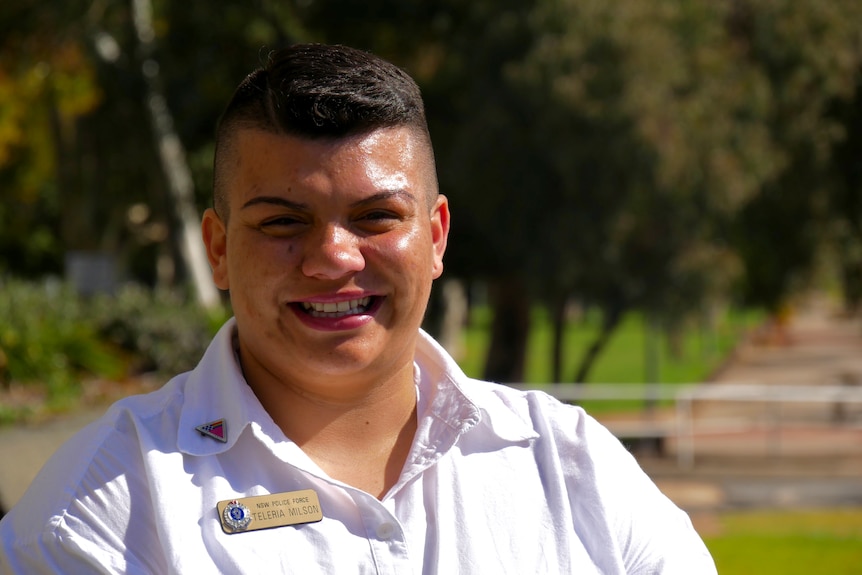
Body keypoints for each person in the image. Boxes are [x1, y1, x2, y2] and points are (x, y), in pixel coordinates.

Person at [0, 44, 716, 573]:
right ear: (218, 249)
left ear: (434, 237)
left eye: (376, 216)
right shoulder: (105, 505)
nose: (334, 256)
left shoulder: (573, 467)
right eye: (283, 221)